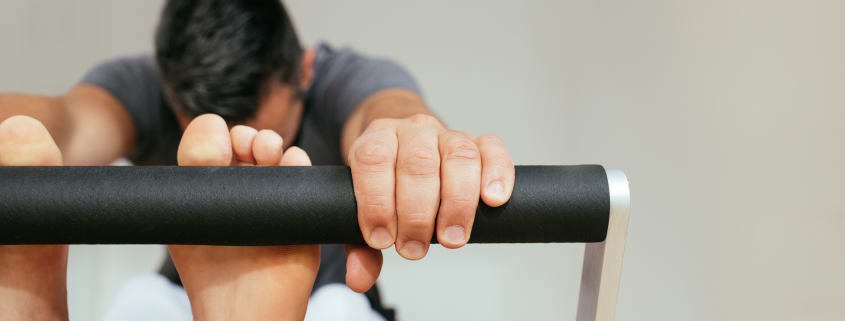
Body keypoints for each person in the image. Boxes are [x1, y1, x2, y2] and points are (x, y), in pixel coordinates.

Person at [0, 0, 515, 320]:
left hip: (331, 295)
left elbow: (389, 111)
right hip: (177, 298)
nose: (237, 165)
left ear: (306, 72)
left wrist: (410, 144)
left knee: (338, 312)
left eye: (265, 135)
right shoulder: (150, 84)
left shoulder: (340, 78)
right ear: (169, 91)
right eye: (201, 128)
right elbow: (65, 123)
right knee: (144, 306)